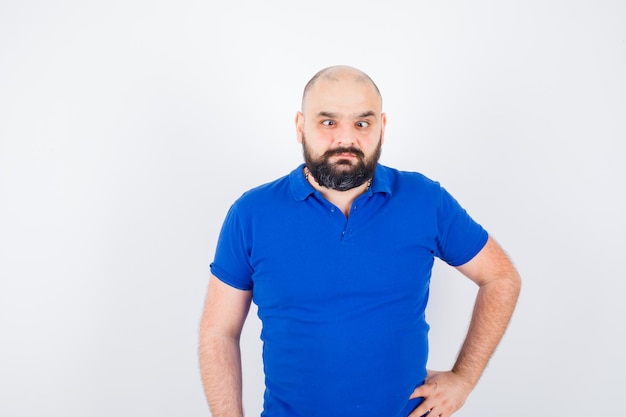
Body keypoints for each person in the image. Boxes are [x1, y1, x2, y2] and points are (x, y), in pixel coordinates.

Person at [199, 65, 521, 417]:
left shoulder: (425, 200)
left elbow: (501, 278)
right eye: (328, 122)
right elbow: (218, 332)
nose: (346, 139)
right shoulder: (252, 213)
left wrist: (463, 379)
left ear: (382, 128)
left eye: (362, 123)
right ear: (299, 126)